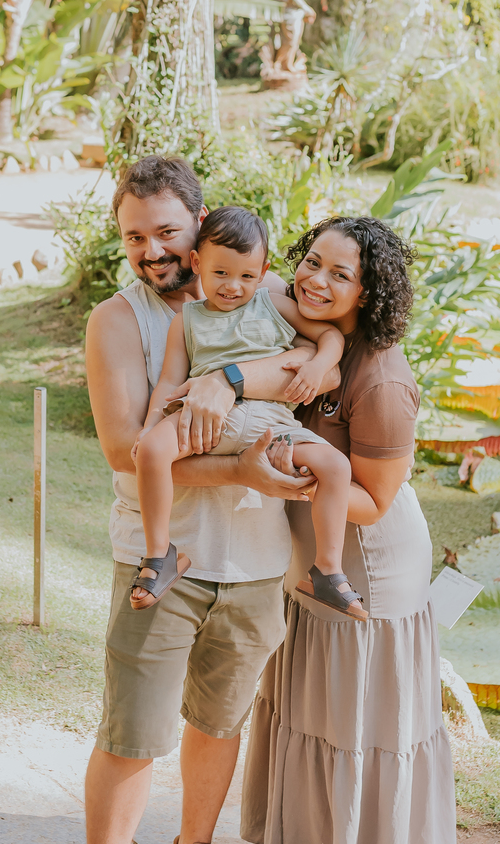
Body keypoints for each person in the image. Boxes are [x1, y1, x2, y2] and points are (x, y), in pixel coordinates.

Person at [47, 156, 328, 844]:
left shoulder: (262, 297)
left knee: (220, 719)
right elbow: (119, 448)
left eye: (166, 231)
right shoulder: (118, 321)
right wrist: (240, 467)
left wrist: (235, 379)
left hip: (255, 560)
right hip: (159, 557)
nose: (150, 250)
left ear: (201, 227)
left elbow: (325, 360)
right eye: (134, 236)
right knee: (133, 730)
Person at [237, 215, 457, 844]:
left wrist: (287, 472)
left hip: (369, 568)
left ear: (371, 292)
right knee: (317, 715)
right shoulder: (320, 330)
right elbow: (260, 277)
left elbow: (373, 500)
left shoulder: (384, 379)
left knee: (358, 726)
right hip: (318, 567)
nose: (315, 280)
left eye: (340, 274)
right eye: (313, 261)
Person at [130, 204, 366, 620]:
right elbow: (169, 380)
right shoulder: (186, 319)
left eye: (245, 275)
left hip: (272, 423)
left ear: (263, 271)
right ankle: (160, 555)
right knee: (150, 452)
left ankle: (327, 570)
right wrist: (151, 425)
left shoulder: (273, 304)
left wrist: (315, 364)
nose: (232, 286)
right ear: (198, 263)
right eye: (220, 273)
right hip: (207, 421)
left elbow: (330, 336)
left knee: (335, 467)